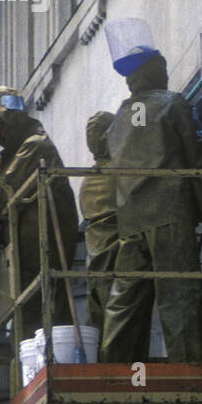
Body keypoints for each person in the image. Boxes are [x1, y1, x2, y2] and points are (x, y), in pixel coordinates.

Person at [102, 33, 202, 363]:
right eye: (161, 67)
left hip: (131, 222)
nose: (165, 72)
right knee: (178, 293)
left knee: (126, 298)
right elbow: (197, 161)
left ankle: (115, 366)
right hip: (169, 213)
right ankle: (190, 366)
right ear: (154, 71)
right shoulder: (171, 103)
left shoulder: (118, 119)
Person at [0, 87, 79, 380]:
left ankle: (55, 366)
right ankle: (32, 371)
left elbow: (3, 186)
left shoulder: (36, 144)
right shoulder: (13, 152)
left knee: (47, 297)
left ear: (11, 118)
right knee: (27, 303)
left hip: (47, 232)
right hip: (27, 238)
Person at [79, 111, 119, 340]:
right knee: (117, 311)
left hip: (96, 257)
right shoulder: (119, 171)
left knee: (99, 311)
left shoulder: (90, 177)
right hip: (116, 254)